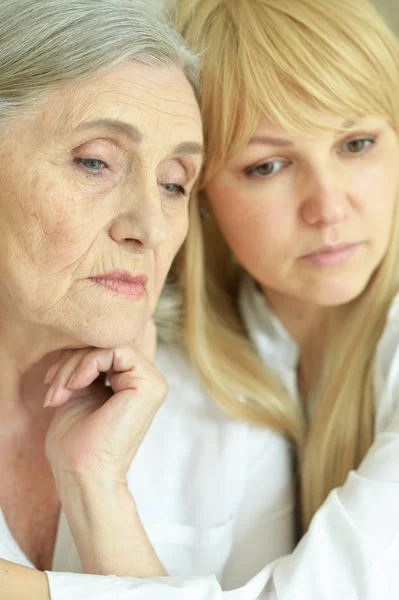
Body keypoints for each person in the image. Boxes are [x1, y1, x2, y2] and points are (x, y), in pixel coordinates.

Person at [13, 0, 399, 597]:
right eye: (267, 165)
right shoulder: (232, 360)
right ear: (207, 199)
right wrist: (96, 486)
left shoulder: (231, 414)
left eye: (356, 144)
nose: (328, 207)